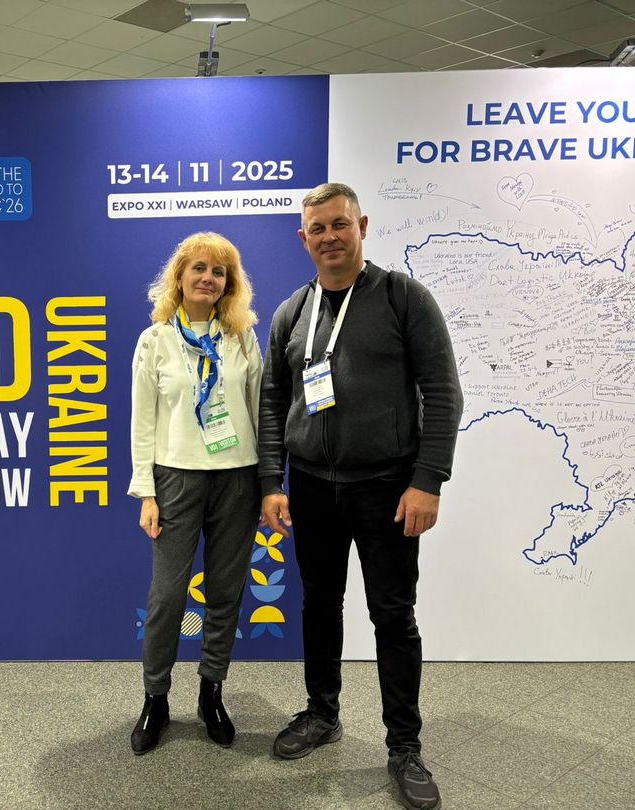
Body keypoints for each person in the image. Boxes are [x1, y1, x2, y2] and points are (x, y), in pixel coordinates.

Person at [258, 183, 462, 810]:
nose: (329, 237)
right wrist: (271, 482)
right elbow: (273, 401)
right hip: (311, 487)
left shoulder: (403, 298)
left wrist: (428, 480)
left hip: (387, 488)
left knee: (392, 616)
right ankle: (322, 713)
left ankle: (404, 747)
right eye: (317, 229)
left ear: (362, 226)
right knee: (320, 605)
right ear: (304, 239)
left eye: (339, 224)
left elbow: (443, 392)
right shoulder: (292, 312)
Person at [128, 232, 263, 755]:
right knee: (167, 596)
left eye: (219, 271)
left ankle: (212, 692)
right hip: (176, 480)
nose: (209, 278)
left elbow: (259, 411)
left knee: (226, 591)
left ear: (230, 283)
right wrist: (147, 492)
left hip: (237, 479)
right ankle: (155, 698)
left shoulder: (242, 339)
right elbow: (143, 421)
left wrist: (268, 484)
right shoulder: (156, 340)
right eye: (199, 268)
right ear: (179, 277)